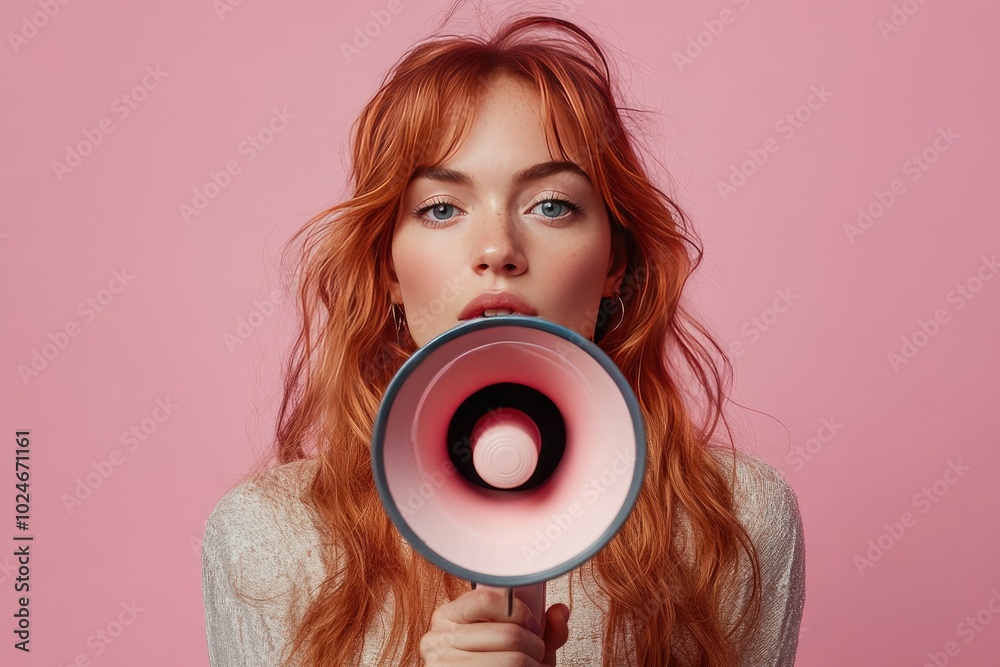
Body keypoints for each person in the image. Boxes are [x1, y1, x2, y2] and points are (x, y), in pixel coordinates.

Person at [202, 11, 805, 667]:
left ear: (615, 262)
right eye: (441, 208)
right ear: (389, 271)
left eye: (551, 204)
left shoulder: (737, 520)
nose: (497, 250)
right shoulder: (267, 540)